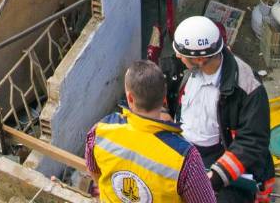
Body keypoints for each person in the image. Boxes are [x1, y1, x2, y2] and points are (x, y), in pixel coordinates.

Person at [167, 16, 274, 203]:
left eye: (182, 54)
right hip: (185, 151)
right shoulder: (186, 69)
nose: (178, 57)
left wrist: (215, 178)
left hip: (220, 157)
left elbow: (251, 142)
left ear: (200, 59)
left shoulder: (248, 88)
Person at [86, 60, 219, 203]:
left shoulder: (101, 130)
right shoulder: (186, 158)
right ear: (164, 99)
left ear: (130, 98)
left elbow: (94, 171)